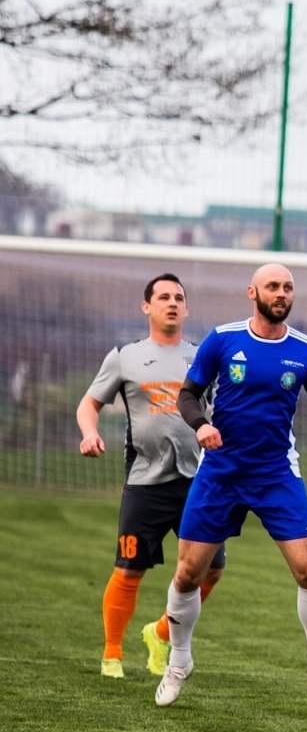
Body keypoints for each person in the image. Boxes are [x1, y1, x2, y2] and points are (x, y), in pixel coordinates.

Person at [155, 263, 307, 707]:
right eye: (273, 286)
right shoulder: (223, 339)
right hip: (220, 472)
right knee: (188, 574)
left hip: (276, 473)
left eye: (288, 287)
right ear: (252, 292)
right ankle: (179, 661)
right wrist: (201, 425)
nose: (281, 293)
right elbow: (187, 395)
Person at [76, 273, 225, 679]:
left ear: (187, 308)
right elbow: (89, 404)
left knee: (211, 570)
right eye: (163, 297)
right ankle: (112, 654)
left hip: (200, 482)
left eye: (178, 297)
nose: (172, 302)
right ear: (147, 306)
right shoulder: (124, 356)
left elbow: (223, 408)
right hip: (145, 482)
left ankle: (159, 633)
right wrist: (89, 433)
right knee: (129, 569)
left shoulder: (202, 357)